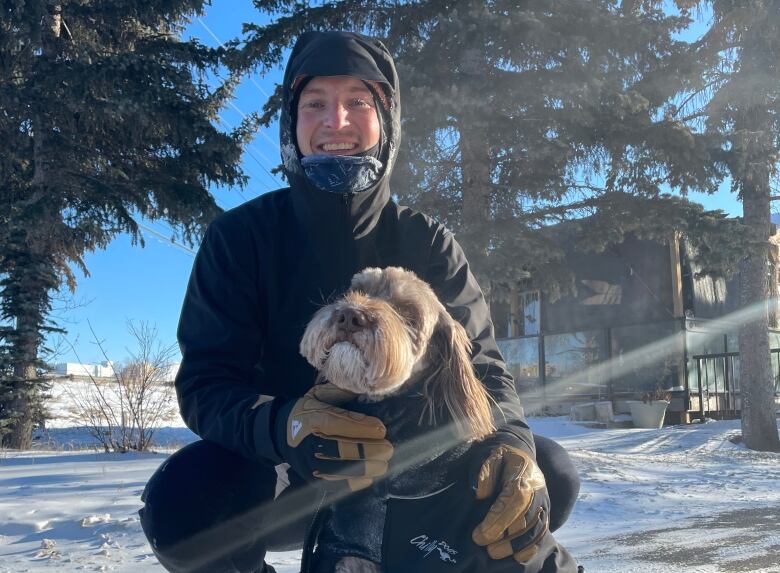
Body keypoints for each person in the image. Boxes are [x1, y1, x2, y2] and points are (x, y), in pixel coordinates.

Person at [139, 31, 581, 573]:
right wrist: (284, 429)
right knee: (183, 502)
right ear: (291, 124)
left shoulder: (429, 244)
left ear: (387, 123)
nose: (337, 122)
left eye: (358, 103)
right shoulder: (239, 239)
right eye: (315, 104)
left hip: (417, 468)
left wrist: (513, 444)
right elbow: (206, 385)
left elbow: (483, 368)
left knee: (550, 474)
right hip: (288, 473)